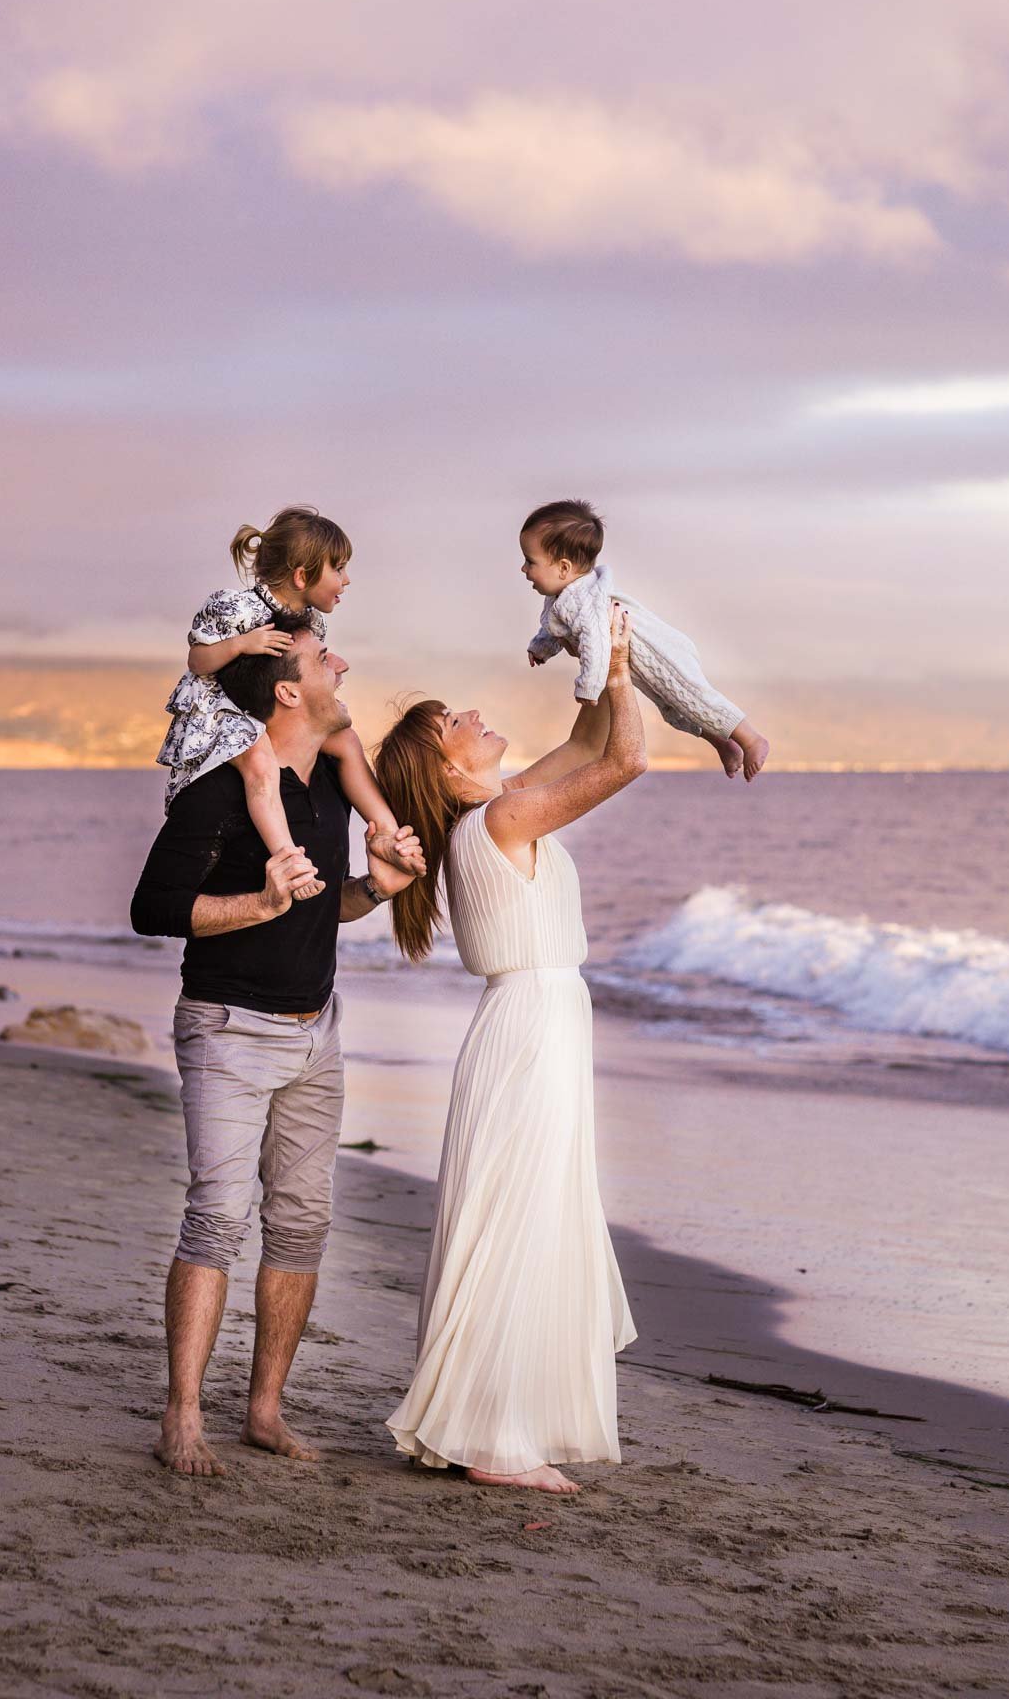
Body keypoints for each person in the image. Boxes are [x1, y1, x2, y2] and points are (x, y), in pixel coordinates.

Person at [131, 607, 425, 1477]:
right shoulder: (221, 786)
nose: (344, 662)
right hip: (226, 1030)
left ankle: (264, 1411)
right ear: (289, 689)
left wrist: (374, 890)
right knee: (217, 1220)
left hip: (316, 1032)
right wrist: (257, 903)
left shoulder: (332, 787)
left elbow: (320, 902)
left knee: (301, 1227)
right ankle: (183, 1414)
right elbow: (152, 911)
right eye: (324, 656)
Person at [373, 601, 644, 1494]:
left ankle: (492, 1422)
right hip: (530, 1029)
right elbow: (626, 759)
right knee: (519, 1222)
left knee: (526, 1219)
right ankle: (492, 1439)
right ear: (448, 768)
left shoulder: (499, 810)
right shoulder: (498, 822)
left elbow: (586, 737)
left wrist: (601, 648)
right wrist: (618, 675)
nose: (473, 716)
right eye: (456, 723)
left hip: (538, 1024)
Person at [157, 503, 401, 898]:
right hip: (225, 714)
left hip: (270, 712)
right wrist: (241, 644)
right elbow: (197, 660)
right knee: (259, 763)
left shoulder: (310, 621)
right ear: (302, 575)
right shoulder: (237, 607)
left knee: (347, 741)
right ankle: (288, 856)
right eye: (338, 569)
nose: (347, 579)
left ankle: (386, 828)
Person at [522, 496, 770, 781]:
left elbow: (597, 643)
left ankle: (752, 739)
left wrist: (588, 686)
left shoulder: (584, 601)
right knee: (675, 709)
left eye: (530, 562)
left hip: (659, 653)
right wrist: (541, 648)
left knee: (694, 698)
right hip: (639, 666)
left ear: (563, 568)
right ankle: (724, 744)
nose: (524, 569)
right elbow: (556, 627)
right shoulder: (561, 597)